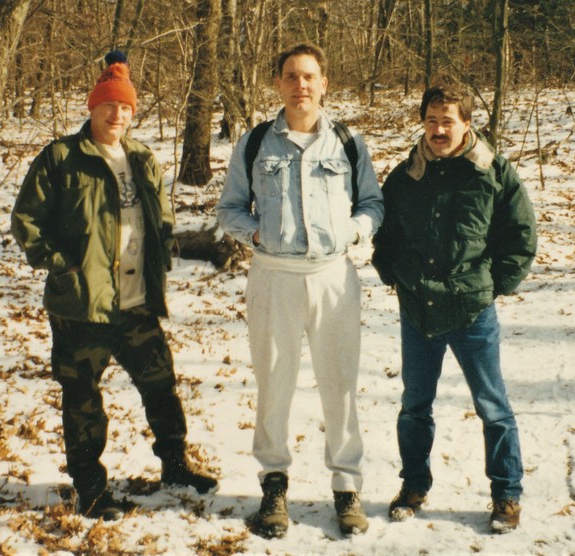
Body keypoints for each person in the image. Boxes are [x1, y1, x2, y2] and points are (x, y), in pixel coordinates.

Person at [11, 51, 218, 521]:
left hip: (136, 303)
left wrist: (161, 253)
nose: (117, 114)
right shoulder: (62, 157)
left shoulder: (142, 158)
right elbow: (26, 220)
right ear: (92, 106)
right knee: (83, 399)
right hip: (82, 306)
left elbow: (160, 219)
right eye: (109, 105)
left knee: (161, 385)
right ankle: (91, 487)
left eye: (125, 107)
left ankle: (175, 465)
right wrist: (63, 266)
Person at [217, 43, 383, 538]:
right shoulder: (253, 144)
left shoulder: (348, 144)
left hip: (333, 277)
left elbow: (373, 203)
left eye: (309, 76)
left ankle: (346, 487)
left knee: (341, 385)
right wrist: (255, 234)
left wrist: (353, 231)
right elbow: (229, 210)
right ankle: (273, 484)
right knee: (274, 384)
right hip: (273, 278)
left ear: (324, 83)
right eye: (291, 76)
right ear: (278, 84)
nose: (300, 85)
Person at [372, 84, 537, 533]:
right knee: (414, 406)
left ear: (467, 123)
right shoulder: (407, 174)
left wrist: (492, 286)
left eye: (448, 120)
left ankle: (506, 493)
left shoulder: (492, 172)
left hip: (472, 313)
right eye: (431, 120)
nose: (438, 129)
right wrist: (394, 274)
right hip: (418, 310)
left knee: (493, 407)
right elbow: (384, 235)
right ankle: (414, 485)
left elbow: (521, 235)